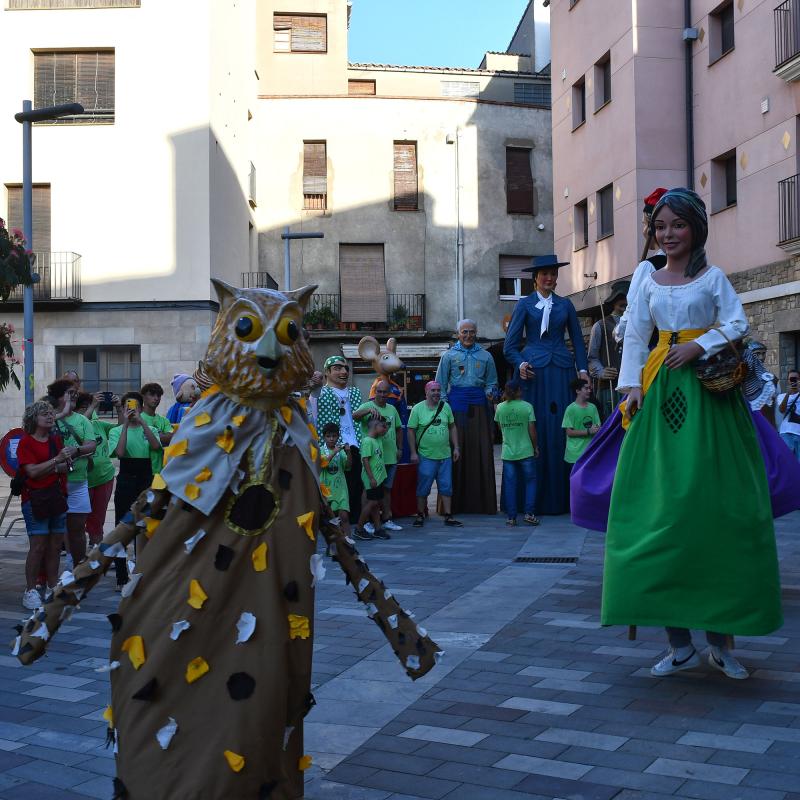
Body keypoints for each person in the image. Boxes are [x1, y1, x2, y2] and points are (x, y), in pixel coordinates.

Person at [602, 187, 782, 680]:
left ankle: (722, 645)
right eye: (661, 226)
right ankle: (678, 644)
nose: (669, 234)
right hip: (660, 393)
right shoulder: (650, 282)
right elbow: (637, 334)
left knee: (716, 513)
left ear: (696, 228)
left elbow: (738, 321)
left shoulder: (713, 278)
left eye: (678, 225)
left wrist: (699, 346)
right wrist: (631, 386)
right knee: (663, 513)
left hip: (710, 396)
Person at [503, 255, 589, 515]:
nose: (549, 278)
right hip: (533, 374)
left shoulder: (565, 305)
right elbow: (509, 347)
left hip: (562, 371)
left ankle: (562, 499)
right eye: (544, 274)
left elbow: (578, 340)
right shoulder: (524, 305)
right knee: (535, 427)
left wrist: (583, 371)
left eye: (553, 273)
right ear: (535, 278)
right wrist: (520, 364)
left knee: (561, 428)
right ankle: (531, 500)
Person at [434, 320, 497, 515]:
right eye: (464, 332)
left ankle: (482, 505)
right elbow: (440, 384)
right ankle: (452, 506)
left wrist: (490, 393)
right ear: (458, 334)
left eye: (471, 332)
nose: (468, 335)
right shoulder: (448, 356)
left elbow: (492, 382)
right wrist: (445, 407)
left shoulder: (486, 356)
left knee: (481, 451)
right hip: (455, 407)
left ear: (476, 333)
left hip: (479, 407)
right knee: (455, 452)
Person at [17, 401, 73, 609]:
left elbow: (65, 468)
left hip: (56, 497)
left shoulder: (56, 440)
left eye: (51, 413)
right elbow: (31, 472)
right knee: (38, 546)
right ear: (33, 419)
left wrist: (56, 465)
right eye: (44, 414)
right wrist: (55, 463)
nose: (50, 417)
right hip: (35, 499)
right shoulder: (26, 442)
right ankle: (30, 590)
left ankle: (52, 586)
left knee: (55, 546)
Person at [108, 392, 163, 589]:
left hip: (145, 478)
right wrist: (124, 424)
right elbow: (120, 453)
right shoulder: (116, 431)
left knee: (145, 527)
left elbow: (156, 446)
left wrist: (141, 421)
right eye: (128, 407)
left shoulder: (149, 428)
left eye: (135, 407)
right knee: (122, 527)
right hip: (126, 479)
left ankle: (142, 572)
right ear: (123, 409)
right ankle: (121, 576)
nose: (132, 410)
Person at [48, 379, 97, 569]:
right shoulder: (49, 417)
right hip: (54, 483)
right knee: (54, 532)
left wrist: (76, 450)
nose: (74, 395)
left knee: (77, 529)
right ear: (58, 396)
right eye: (69, 393)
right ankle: (48, 578)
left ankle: (77, 569)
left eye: (75, 393)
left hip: (78, 482)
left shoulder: (82, 420)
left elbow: (91, 444)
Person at [614, 187, 669, 345]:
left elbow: (633, 310)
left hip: (656, 349)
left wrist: (619, 332)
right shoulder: (693, 265)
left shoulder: (648, 267)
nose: (643, 231)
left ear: (655, 228)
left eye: (645, 224)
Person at [407, 381, 461, 528]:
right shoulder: (418, 409)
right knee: (423, 487)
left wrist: (456, 447)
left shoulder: (446, 407)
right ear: (426, 392)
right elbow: (410, 431)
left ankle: (448, 516)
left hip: (445, 455)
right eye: (433, 390)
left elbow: (452, 427)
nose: (436, 393)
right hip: (426, 455)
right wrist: (413, 452)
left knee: (446, 486)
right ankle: (420, 515)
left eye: (438, 390)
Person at [315, 355, 363, 519]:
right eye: (337, 368)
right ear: (327, 372)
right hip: (332, 447)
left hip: (355, 445)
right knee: (333, 485)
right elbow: (311, 402)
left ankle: (356, 520)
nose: (343, 371)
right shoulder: (321, 393)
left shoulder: (355, 392)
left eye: (345, 368)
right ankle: (332, 519)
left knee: (356, 484)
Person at [353, 380, 403, 532]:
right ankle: (366, 522)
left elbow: (399, 429)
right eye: (379, 391)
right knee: (368, 491)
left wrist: (400, 448)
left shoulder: (392, 409)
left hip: (390, 456)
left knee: (386, 489)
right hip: (373, 458)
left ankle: (386, 518)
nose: (381, 395)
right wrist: (368, 412)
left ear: (389, 393)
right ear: (374, 392)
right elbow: (354, 416)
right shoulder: (367, 406)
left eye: (385, 392)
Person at [76, 391, 120, 547]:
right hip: (82, 480)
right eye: (83, 407)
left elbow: (120, 427)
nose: (88, 410)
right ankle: (77, 558)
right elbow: (79, 423)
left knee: (98, 520)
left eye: (89, 407)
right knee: (78, 522)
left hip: (104, 478)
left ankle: (96, 558)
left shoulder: (99, 424)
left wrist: (119, 408)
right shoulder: (74, 425)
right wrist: (93, 405)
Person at [494, 379, 539, 527]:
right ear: (519, 390)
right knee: (530, 481)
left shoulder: (500, 408)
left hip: (508, 452)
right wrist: (535, 447)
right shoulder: (527, 407)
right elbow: (532, 430)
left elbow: (500, 428)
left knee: (510, 485)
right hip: (525, 450)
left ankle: (511, 517)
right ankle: (529, 514)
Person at [588, 282, 628, 420]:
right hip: (609, 388)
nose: (625, 308)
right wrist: (601, 372)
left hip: (633, 386)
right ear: (614, 303)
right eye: (621, 303)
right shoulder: (600, 326)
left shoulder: (639, 325)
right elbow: (592, 358)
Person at [354, 417, 390, 541]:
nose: (385, 429)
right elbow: (365, 460)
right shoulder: (367, 441)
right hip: (372, 478)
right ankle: (359, 528)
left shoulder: (376, 440)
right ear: (375, 427)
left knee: (376, 504)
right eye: (383, 426)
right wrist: (371, 478)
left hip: (378, 478)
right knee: (372, 502)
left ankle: (378, 528)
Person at [320, 422, 352, 548]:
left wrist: (349, 453)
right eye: (328, 436)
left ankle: (349, 542)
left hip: (341, 489)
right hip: (326, 490)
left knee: (344, 516)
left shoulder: (341, 451)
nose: (331, 439)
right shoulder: (321, 450)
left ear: (338, 437)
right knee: (331, 521)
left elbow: (348, 466)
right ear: (324, 437)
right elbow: (322, 464)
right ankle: (333, 546)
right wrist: (334, 452)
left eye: (334, 436)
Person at [563, 378, 601, 467]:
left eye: (590, 389)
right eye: (586, 388)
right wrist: (588, 431)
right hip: (575, 455)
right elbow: (569, 432)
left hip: (590, 453)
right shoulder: (570, 409)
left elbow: (597, 426)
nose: (589, 391)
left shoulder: (593, 407)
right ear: (578, 391)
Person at [140, 382, 174, 473]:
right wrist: (161, 435)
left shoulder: (164, 420)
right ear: (143, 396)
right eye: (152, 395)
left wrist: (148, 436)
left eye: (158, 395)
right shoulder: (137, 418)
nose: (156, 398)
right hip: (140, 470)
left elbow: (171, 438)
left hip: (159, 470)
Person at [777, 368, 800, 460]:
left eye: (796, 379)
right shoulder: (781, 396)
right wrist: (788, 394)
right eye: (791, 379)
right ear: (788, 381)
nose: (793, 382)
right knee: (787, 462)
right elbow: (781, 410)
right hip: (786, 433)